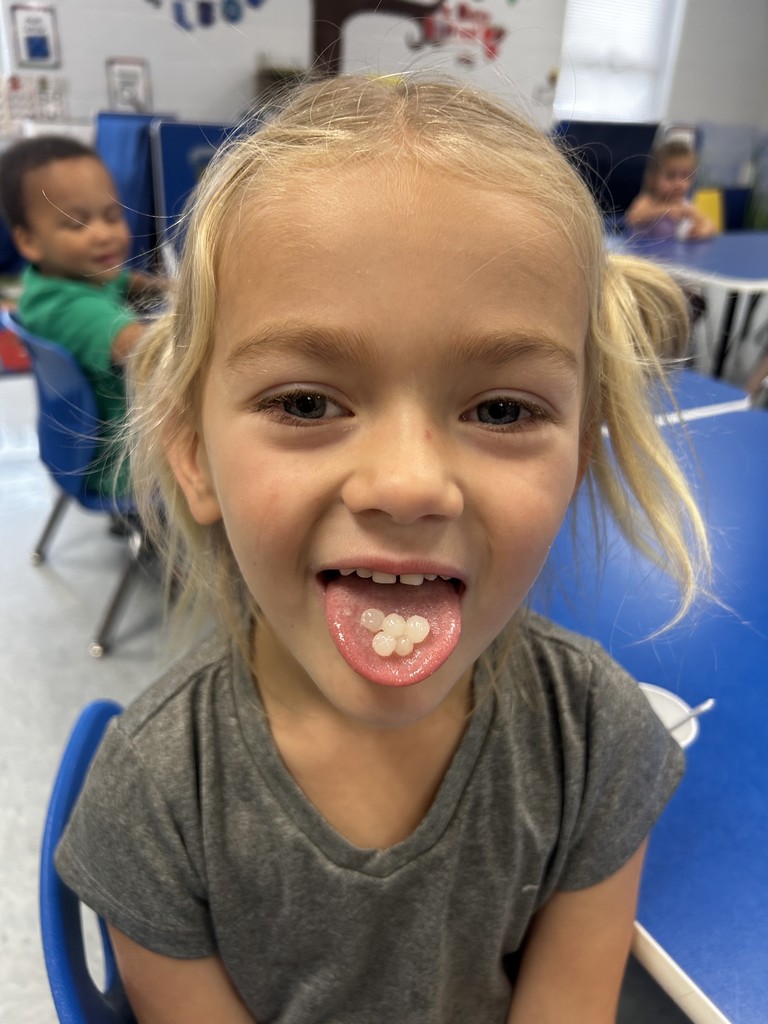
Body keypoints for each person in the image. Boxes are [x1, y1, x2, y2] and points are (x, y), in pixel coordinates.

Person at [55, 76, 710, 1024]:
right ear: (194, 456)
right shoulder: (153, 803)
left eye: (501, 410)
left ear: (575, 460)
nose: (408, 484)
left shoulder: (594, 738)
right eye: (307, 403)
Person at [0, 135, 165, 494]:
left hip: (83, 448)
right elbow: (151, 352)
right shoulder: (74, 310)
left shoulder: (52, 282)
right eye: (77, 224)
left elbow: (123, 281)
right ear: (28, 241)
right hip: (124, 463)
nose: (104, 235)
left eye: (112, 215)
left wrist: (164, 289)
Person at [625, 138, 717, 240]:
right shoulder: (648, 201)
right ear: (653, 178)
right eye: (670, 176)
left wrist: (702, 231)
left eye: (685, 176)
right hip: (640, 254)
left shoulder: (683, 206)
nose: (679, 184)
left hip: (670, 254)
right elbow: (632, 218)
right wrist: (664, 211)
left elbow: (709, 224)